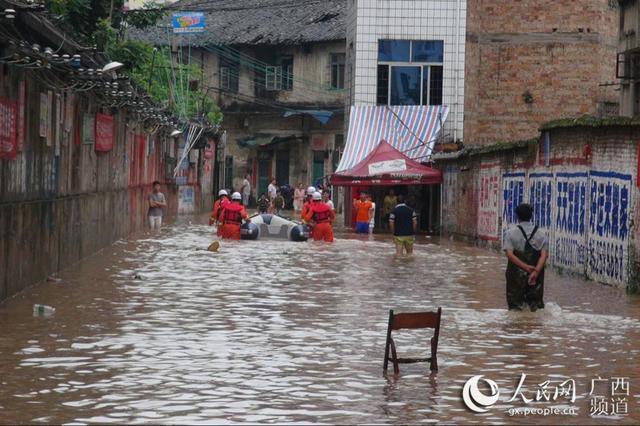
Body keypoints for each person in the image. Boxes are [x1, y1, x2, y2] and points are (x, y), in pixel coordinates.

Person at [503, 203, 548, 311]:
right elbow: (544, 255)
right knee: (535, 307)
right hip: (535, 276)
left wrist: (525, 267)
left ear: (517, 216)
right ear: (531, 216)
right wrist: (535, 271)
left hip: (515, 276)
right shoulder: (541, 234)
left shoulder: (510, 233)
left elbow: (509, 254)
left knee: (515, 308)